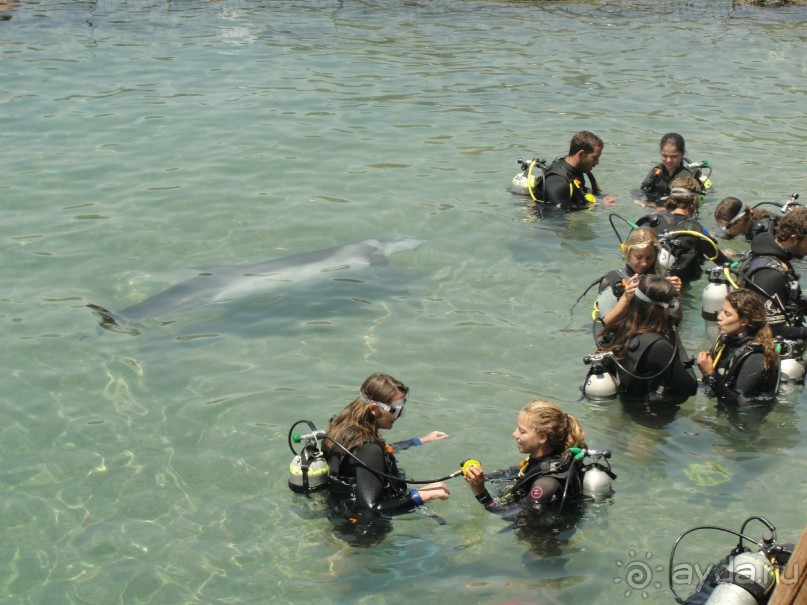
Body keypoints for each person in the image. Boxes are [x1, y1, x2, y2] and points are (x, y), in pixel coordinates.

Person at [323, 373, 450, 542]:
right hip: (362, 533)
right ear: (374, 409)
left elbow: (376, 453)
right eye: (395, 410)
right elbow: (372, 508)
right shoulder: (369, 449)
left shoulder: (342, 427)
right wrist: (423, 495)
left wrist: (420, 440)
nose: (398, 416)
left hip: (339, 515)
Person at [463, 400, 586, 514]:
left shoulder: (546, 483)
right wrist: (482, 477)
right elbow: (514, 472)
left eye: (522, 431)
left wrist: (480, 491)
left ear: (542, 437)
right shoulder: (541, 459)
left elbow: (509, 514)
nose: (514, 434)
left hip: (540, 536)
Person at [596, 275, 698, 404]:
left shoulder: (617, 329)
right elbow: (690, 387)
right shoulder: (658, 346)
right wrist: (677, 341)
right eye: (672, 305)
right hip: (650, 419)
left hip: (624, 405)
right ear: (662, 308)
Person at [637, 176, 730, 285]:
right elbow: (723, 263)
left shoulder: (647, 222)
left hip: (644, 283)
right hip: (679, 288)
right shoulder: (697, 230)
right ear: (694, 201)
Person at [737, 206, 807, 342]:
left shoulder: (778, 259)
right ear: (793, 239)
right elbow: (773, 330)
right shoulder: (769, 274)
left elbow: (791, 303)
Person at [697, 289, 779, 403]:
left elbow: (738, 403)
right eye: (722, 311)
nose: (719, 317)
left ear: (744, 321)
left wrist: (709, 375)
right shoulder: (726, 340)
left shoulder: (756, 356)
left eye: (727, 314)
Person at [596, 227, 682, 325]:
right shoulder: (613, 281)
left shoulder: (663, 278)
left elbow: (676, 321)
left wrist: (676, 295)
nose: (644, 263)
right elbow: (604, 324)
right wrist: (625, 299)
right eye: (639, 257)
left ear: (656, 255)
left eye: (649, 257)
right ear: (628, 253)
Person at [531, 131, 617, 212]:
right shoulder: (558, 181)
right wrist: (599, 206)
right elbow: (557, 219)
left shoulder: (576, 170)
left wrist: (602, 199)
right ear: (582, 154)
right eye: (594, 158)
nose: (597, 162)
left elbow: (578, 193)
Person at [640, 133, 698, 202]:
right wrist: (638, 201)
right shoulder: (656, 172)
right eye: (664, 155)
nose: (668, 160)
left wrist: (661, 209)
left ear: (682, 154)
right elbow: (641, 190)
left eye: (674, 156)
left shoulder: (688, 177)